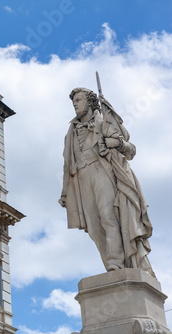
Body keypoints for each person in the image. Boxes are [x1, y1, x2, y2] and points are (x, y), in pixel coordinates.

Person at [59, 87, 154, 276]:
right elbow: (67, 163)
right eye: (73, 102)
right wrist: (65, 191)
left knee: (108, 216)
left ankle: (116, 263)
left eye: (78, 100)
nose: (75, 104)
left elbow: (130, 150)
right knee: (94, 226)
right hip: (81, 177)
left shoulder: (104, 121)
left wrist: (116, 143)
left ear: (90, 102)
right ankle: (111, 266)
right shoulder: (71, 130)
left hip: (102, 171)